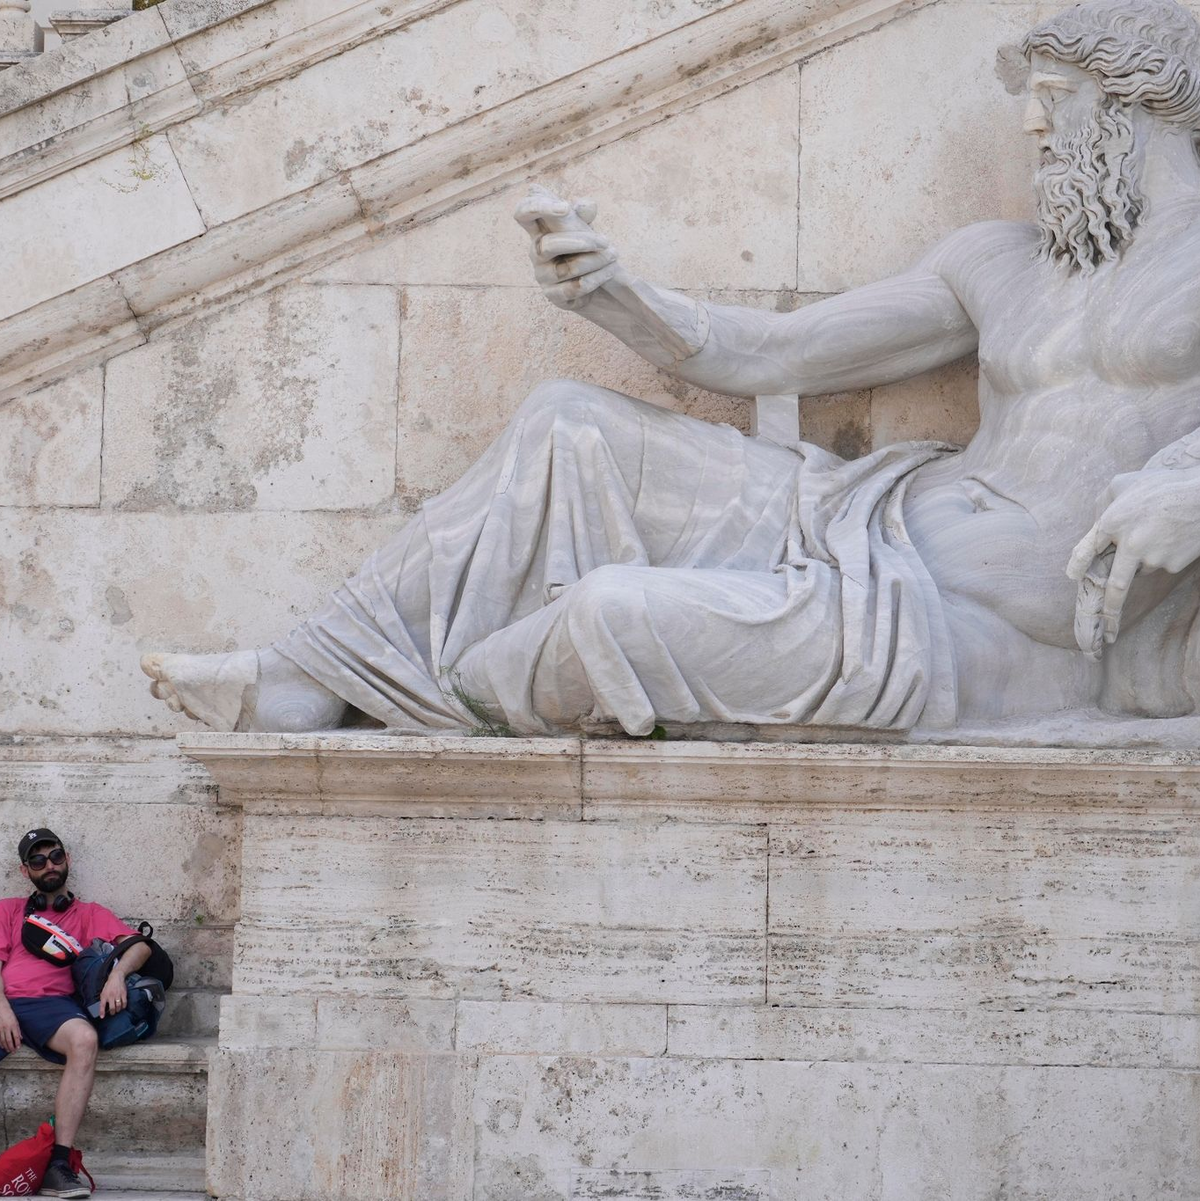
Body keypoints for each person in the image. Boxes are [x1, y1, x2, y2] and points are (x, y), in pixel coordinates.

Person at [142, 0, 1200, 738]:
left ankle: (460, 694)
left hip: (976, 633)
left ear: (1139, 100)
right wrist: (615, 293)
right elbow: (776, 353)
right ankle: (311, 675)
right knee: (570, 422)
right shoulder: (999, 261)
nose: (1031, 124)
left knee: (615, 614)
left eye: (1057, 95)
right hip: (863, 518)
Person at [0, 829, 150, 1200]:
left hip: (52, 1006)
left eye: (55, 857)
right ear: (25, 871)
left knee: (84, 1039)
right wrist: (2, 1009)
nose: (48, 865)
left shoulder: (89, 913)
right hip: (5, 1001)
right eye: (38, 860)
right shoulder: (9, 910)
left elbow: (140, 947)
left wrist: (117, 974)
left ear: (67, 860)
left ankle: (59, 1165)